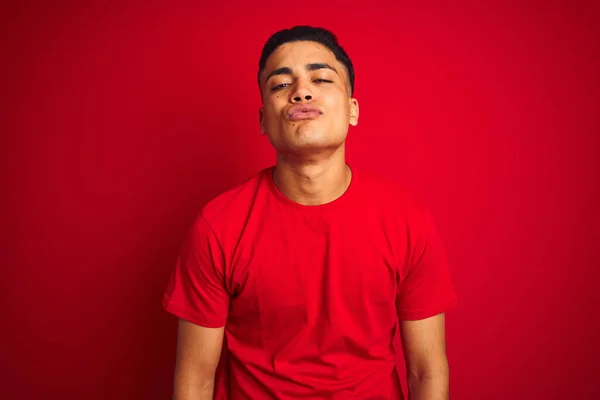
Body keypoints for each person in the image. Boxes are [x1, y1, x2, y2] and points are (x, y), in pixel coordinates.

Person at [163, 25, 457, 400]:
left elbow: (426, 370)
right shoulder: (217, 226)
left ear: (353, 110)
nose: (301, 91)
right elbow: (195, 377)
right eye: (280, 85)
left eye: (320, 78)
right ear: (263, 120)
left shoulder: (408, 221)